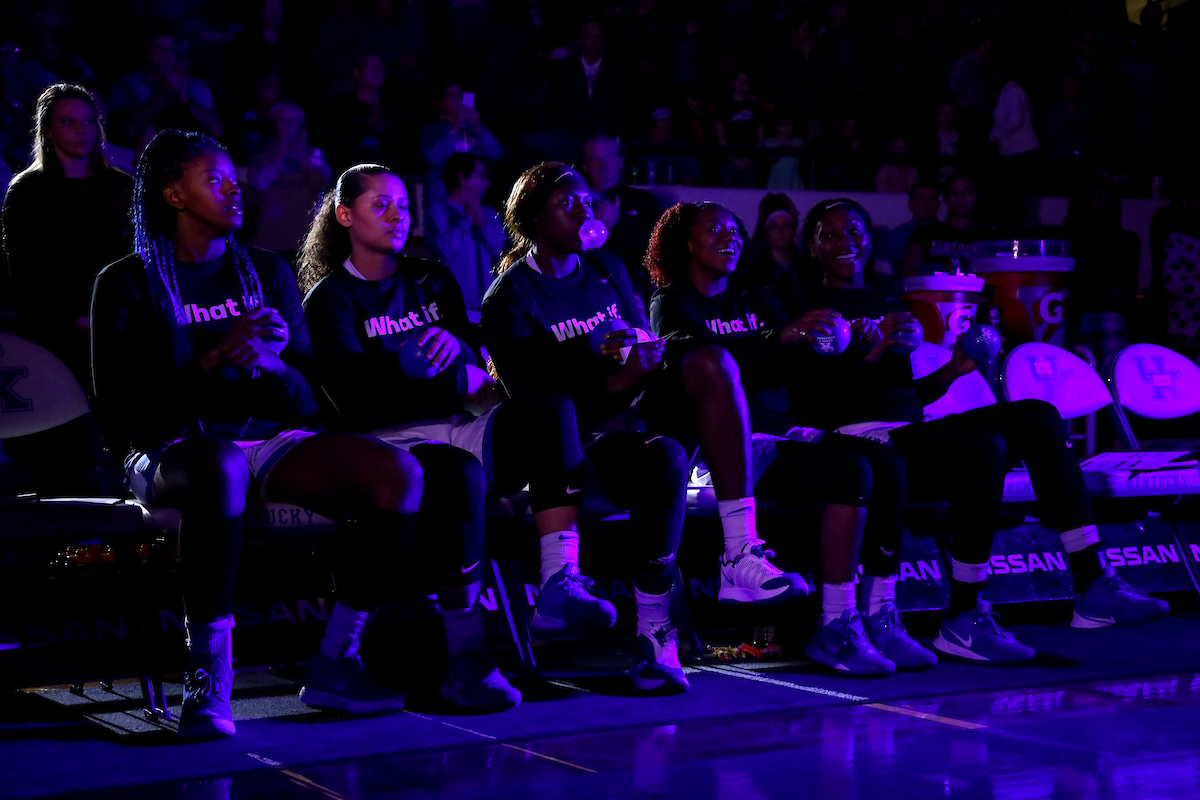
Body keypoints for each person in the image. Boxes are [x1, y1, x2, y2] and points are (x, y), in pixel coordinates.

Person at [90, 130, 517, 741]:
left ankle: (337, 659)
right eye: (214, 180)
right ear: (172, 194)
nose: (234, 189)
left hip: (268, 438)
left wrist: (270, 366)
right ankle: (208, 672)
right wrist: (211, 361)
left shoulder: (265, 271)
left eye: (236, 177)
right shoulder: (126, 282)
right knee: (220, 468)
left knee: (403, 473)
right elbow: (124, 411)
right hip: (169, 449)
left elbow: (304, 397)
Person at [295, 165, 648, 687]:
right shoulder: (329, 298)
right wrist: (413, 367)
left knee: (551, 408)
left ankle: (559, 580)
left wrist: (456, 351)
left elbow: (475, 371)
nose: (397, 216)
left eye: (403, 205)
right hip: (387, 445)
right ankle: (466, 654)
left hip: (461, 425)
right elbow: (352, 402)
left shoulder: (432, 277)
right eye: (380, 205)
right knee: (456, 473)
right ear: (345, 216)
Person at [787, 198, 1169, 663]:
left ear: (869, 238)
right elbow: (814, 403)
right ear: (811, 248)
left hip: (908, 432)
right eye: (829, 234)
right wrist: (870, 351)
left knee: (1038, 416)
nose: (845, 241)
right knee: (982, 444)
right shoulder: (802, 304)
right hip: (859, 445)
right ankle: (965, 615)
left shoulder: (887, 296)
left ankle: (1092, 584)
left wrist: (953, 369)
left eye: (854, 231)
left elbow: (903, 396)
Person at [647, 201, 922, 675]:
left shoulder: (754, 299)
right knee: (850, 470)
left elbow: (795, 362)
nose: (729, 237)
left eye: (734, 229)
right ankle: (836, 624)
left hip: (779, 437)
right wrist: (781, 339)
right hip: (720, 453)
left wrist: (852, 341)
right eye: (714, 230)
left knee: (886, 465)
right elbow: (700, 361)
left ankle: (874, 615)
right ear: (685, 244)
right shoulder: (672, 303)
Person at [480, 163, 694, 693]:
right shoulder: (509, 297)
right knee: (557, 413)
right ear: (533, 218)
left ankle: (653, 637)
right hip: (553, 453)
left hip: (619, 431)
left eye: (587, 200)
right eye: (567, 203)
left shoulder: (608, 269)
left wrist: (640, 354)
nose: (586, 210)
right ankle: (558, 585)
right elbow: (532, 399)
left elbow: (635, 337)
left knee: (666, 457)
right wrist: (614, 376)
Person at [2, 84, 133, 382]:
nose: (81, 130)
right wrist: (80, 323)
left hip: (125, 323)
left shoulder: (120, 186)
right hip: (62, 334)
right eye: (68, 122)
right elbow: (26, 278)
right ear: (47, 129)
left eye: (88, 121)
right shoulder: (28, 192)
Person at [580, 135, 662, 304]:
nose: (603, 164)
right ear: (585, 166)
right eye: (595, 158)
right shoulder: (574, 203)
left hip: (631, 287)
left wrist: (617, 224)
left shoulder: (643, 200)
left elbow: (655, 249)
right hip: (581, 285)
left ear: (619, 161)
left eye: (609, 157)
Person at [244, 100, 331, 260]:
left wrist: (300, 157)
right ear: (274, 124)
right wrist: (281, 159)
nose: (289, 126)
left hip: (306, 242)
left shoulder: (314, 154)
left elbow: (322, 181)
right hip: (270, 243)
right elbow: (257, 184)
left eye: (294, 122)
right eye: (284, 121)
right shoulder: (262, 156)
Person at [107, 28, 223, 146]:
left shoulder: (193, 85)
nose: (165, 55)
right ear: (146, 50)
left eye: (170, 50)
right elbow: (127, 130)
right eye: (159, 48)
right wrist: (162, 94)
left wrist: (184, 99)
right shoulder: (125, 84)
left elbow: (217, 129)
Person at [424, 152, 505, 319]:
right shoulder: (438, 211)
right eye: (481, 176)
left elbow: (499, 251)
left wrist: (482, 224)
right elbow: (443, 249)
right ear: (462, 177)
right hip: (454, 305)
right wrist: (466, 218)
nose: (487, 182)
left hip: (489, 304)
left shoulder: (488, 213)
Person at [418, 82, 505, 214]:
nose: (457, 99)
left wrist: (477, 127)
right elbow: (433, 157)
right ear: (440, 102)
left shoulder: (476, 129)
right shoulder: (431, 131)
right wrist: (456, 126)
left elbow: (496, 153)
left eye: (459, 95)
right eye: (451, 95)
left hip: (475, 200)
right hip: (442, 198)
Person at [903, 173, 995, 276]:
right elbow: (910, 270)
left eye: (967, 192)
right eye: (954, 193)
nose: (961, 198)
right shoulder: (924, 233)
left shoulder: (991, 238)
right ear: (945, 199)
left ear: (978, 198)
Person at [736, 194, 817, 296]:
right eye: (774, 227)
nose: (780, 231)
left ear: (793, 230)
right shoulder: (752, 269)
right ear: (766, 232)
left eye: (786, 226)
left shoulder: (808, 269)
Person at [873, 179, 940, 280]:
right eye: (920, 199)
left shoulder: (952, 234)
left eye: (932, 198)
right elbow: (881, 276)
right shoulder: (893, 238)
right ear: (910, 205)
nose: (927, 204)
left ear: (939, 203)